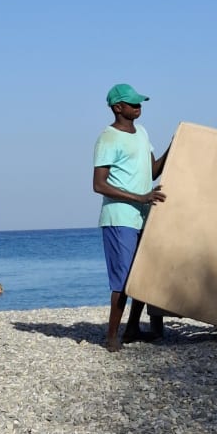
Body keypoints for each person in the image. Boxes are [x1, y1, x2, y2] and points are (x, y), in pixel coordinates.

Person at [93, 83, 170, 352]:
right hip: (119, 218)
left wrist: (174, 146)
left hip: (143, 216)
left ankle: (133, 328)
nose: (138, 107)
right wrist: (140, 197)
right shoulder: (108, 138)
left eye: (140, 103)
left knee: (142, 276)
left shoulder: (143, 133)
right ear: (118, 108)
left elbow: (153, 171)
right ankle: (111, 336)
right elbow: (99, 184)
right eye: (133, 103)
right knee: (124, 281)